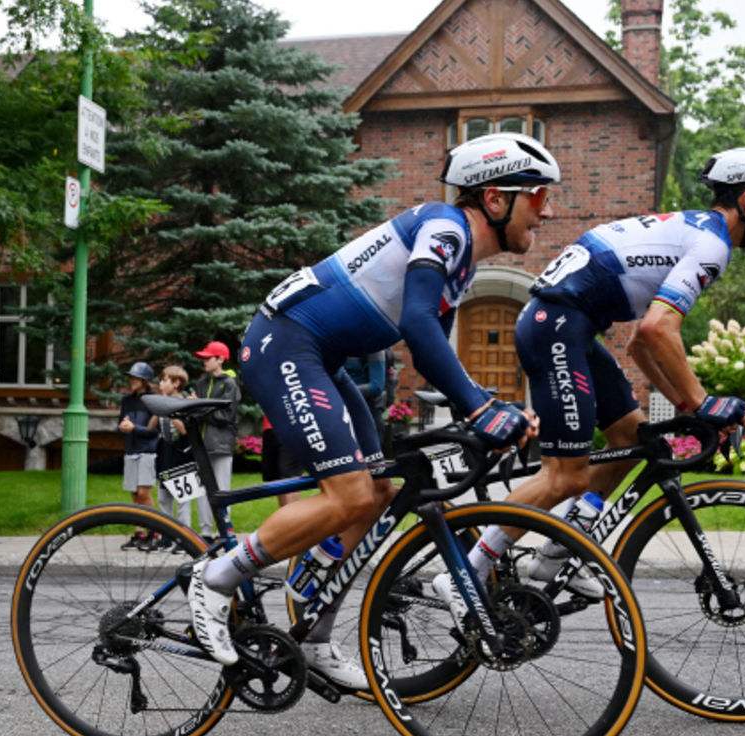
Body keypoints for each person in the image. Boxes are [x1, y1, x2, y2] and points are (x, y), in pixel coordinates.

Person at [187, 132, 550, 688]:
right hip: (285, 344)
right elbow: (419, 327)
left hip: (321, 357)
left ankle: (312, 631)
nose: (545, 213)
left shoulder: (463, 263)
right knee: (351, 493)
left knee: (379, 492)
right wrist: (480, 409)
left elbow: (433, 356)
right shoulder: (445, 230)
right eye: (539, 198)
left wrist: (484, 407)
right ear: (496, 200)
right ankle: (215, 579)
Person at [440, 146, 745, 612]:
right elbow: (657, 329)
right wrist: (704, 402)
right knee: (564, 476)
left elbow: (641, 345)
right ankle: (467, 574)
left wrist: (690, 407)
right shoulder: (712, 245)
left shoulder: (697, 232)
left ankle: (556, 553)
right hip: (558, 325)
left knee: (631, 435)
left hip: (570, 325)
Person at [192, 341, 241, 542]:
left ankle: (224, 531)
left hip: (221, 445)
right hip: (201, 445)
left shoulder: (229, 384)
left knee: (221, 489)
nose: (204, 361)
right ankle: (205, 532)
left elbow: (225, 416)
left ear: (220, 359)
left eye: (207, 358)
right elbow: (202, 413)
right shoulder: (201, 384)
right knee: (203, 489)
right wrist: (201, 408)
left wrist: (198, 406)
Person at [118, 361, 162, 550]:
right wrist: (122, 427)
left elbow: (155, 431)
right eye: (131, 377)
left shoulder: (153, 401)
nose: (131, 380)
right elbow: (120, 423)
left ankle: (156, 530)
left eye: (135, 377)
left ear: (145, 380)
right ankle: (139, 532)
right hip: (131, 450)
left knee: (144, 492)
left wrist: (135, 428)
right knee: (134, 494)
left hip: (147, 450)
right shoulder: (127, 401)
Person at [149, 364, 195, 534]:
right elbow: (151, 426)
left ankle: (184, 535)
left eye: (164, 381)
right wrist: (158, 408)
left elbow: (183, 430)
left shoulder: (184, 403)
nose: (160, 384)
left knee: (183, 498)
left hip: (182, 454)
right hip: (165, 453)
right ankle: (167, 534)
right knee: (163, 496)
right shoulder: (163, 403)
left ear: (176, 383)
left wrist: (169, 411)